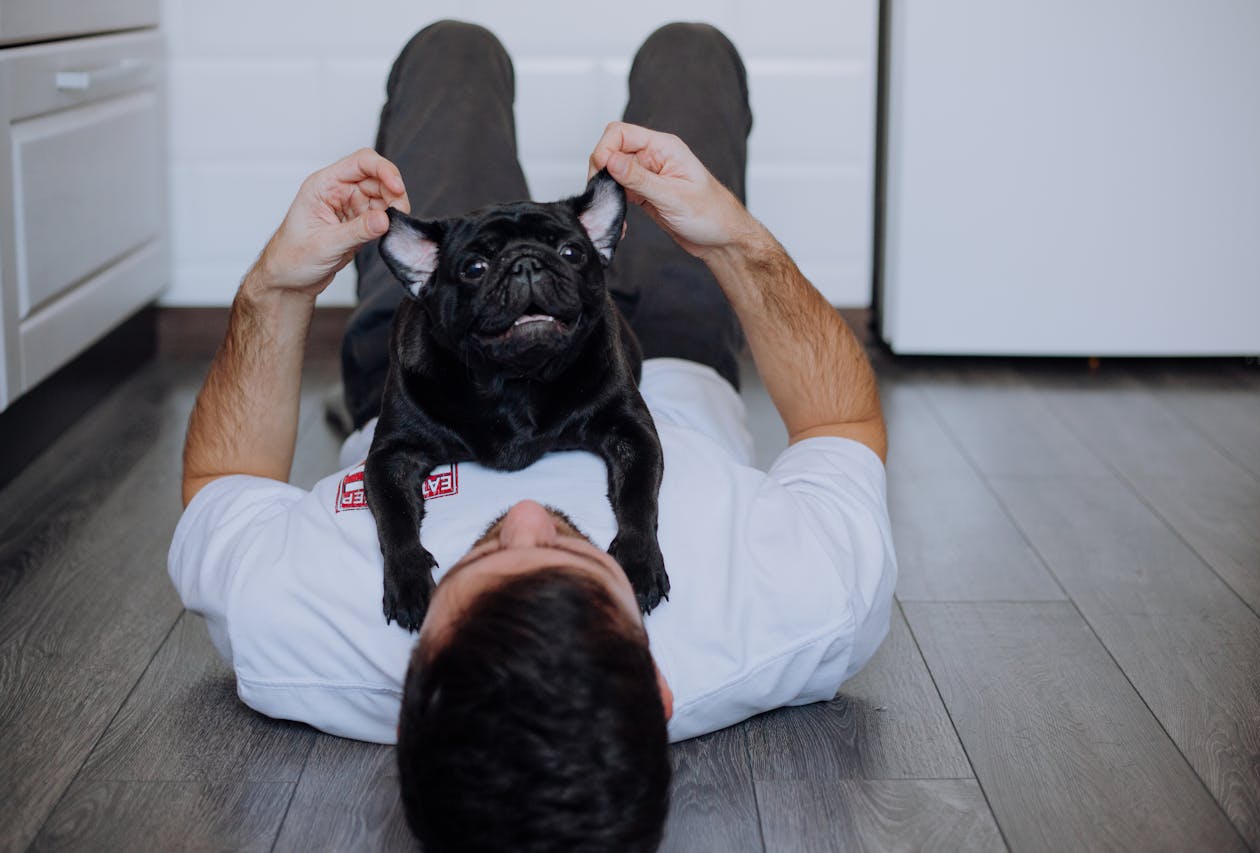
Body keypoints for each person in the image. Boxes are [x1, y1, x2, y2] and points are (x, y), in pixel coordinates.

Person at [169, 20, 895, 852]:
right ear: (660, 683)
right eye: (574, 554)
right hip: (669, 357)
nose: (523, 512)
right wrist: (735, 239)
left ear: (411, 674)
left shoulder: (290, 629)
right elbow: (844, 423)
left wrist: (278, 283)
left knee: (452, 48)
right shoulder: (803, 605)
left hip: (424, 361)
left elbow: (224, 478)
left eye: (477, 560)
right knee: (691, 51)